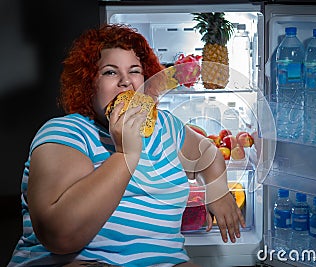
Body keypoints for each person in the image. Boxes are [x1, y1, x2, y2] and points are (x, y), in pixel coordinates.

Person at [8, 24, 245, 267]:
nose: (126, 82)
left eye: (135, 71)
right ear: (88, 83)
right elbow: (60, 236)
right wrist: (126, 154)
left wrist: (218, 190)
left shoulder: (166, 126)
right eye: (110, 72)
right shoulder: (67, 133)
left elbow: (208, 153)